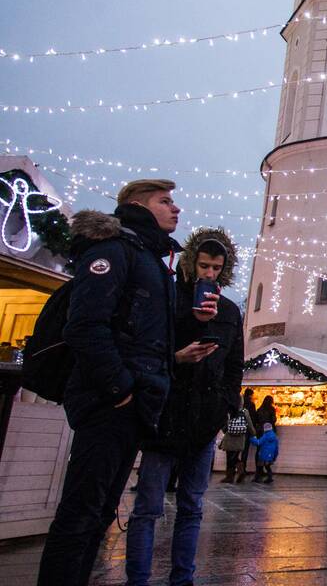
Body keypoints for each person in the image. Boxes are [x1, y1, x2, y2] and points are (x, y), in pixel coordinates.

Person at [36, 180, 193, 586]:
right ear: (138, 206)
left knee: (101, 512)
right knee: (81, 513)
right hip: (112, 402)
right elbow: (86, 325)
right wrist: (119, 388)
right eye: (165, 201)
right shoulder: (114, 250)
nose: (175, 209)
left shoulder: (152, 260)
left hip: (134, 402)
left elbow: (146, 336)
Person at [125, 228, 244, 586]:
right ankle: (138, 579)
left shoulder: (229, 311)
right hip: (166, 415)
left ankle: (183, 578)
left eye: (216, 268)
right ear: (192, 263)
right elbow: (147, 349)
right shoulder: (169, 299)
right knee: (148, 507)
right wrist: (178, 355)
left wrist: (226, 403)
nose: (209, 274)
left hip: (205, 419)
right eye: (204, 266)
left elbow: (234, 363)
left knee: (192, 506)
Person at [219, 407, 255, 483]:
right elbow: (249, 423)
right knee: (235, 456)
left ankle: (230, 476)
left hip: (229, 436)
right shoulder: (245, 411)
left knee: (229, 457)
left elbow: (224, 422)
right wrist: (253, 433)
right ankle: (241, 471)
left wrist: (224, 430)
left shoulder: (229, 410)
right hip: (240, 437)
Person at [240, 387, 257, 480]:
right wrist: (253, 430)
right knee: (245, 450)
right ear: (251, 395)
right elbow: (253, 418)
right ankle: (243, 468)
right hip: (246, 430)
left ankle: (233, 468)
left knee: (236, 450)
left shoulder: (240, 403)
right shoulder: (251, 404)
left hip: (238, 429)